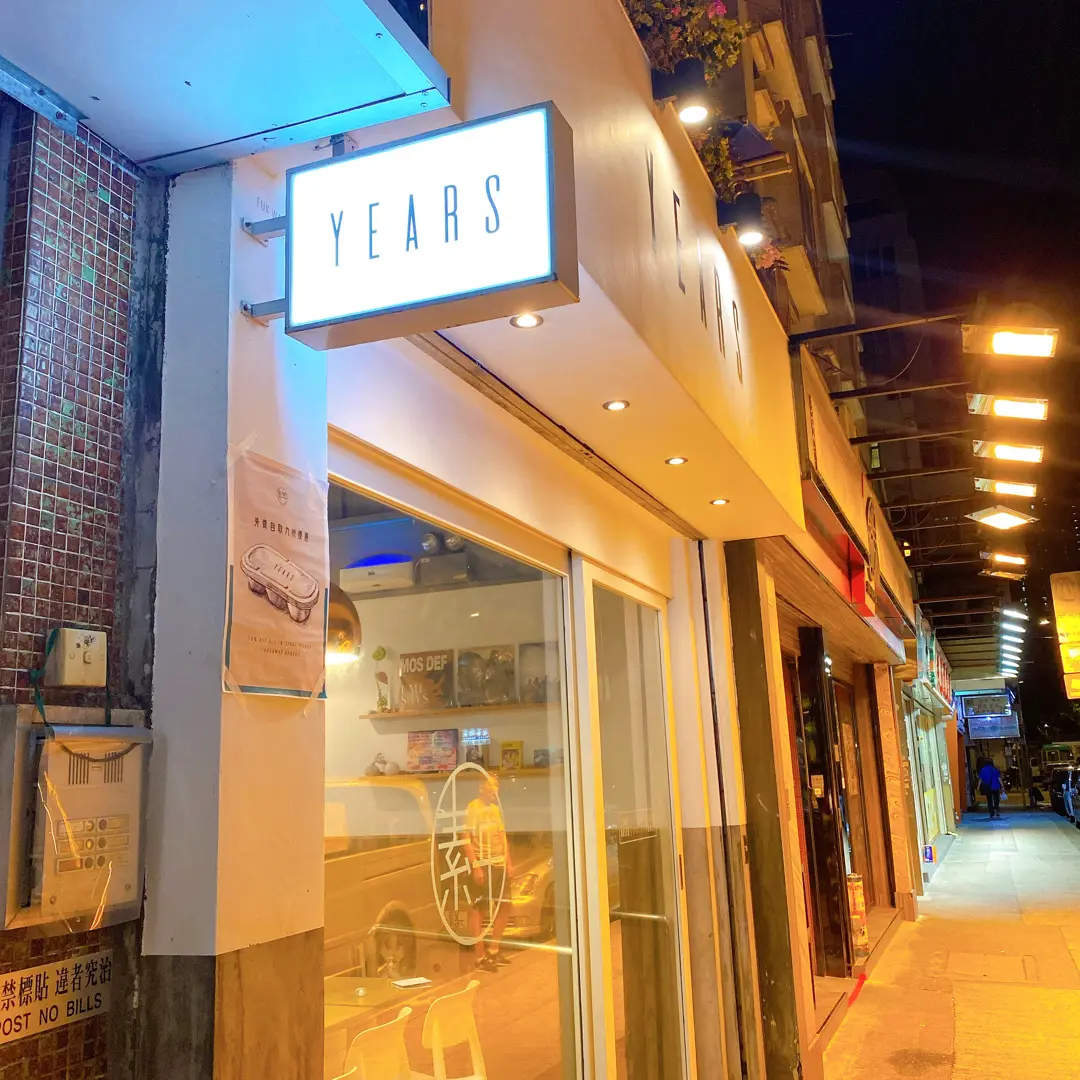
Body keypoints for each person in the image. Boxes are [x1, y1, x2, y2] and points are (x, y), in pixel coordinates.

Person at [464, 774, 513, 972]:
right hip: (483, 864)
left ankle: (494, 950)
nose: (495, 790)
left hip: (499, 863)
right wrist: (475, 865)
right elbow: (466, 838)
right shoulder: (472, 808)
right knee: (479, 908)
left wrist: (508, 862)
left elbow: (502, 836)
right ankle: (480, 957)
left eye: (497, 786)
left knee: (505, 904)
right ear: (481, 788)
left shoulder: (494, 809)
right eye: (491, 785)